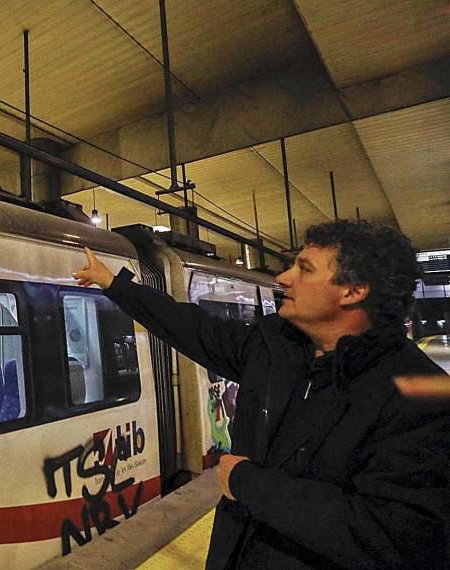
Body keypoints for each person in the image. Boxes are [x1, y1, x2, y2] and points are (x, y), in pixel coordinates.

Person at [73, 219, 449, 569]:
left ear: (352, 291)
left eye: (304, 269)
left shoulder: (418, 395)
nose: (283, 278)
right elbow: (191, 327)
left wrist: (246, 482)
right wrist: (115, 285)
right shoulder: (274, 347)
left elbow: (394, 535)